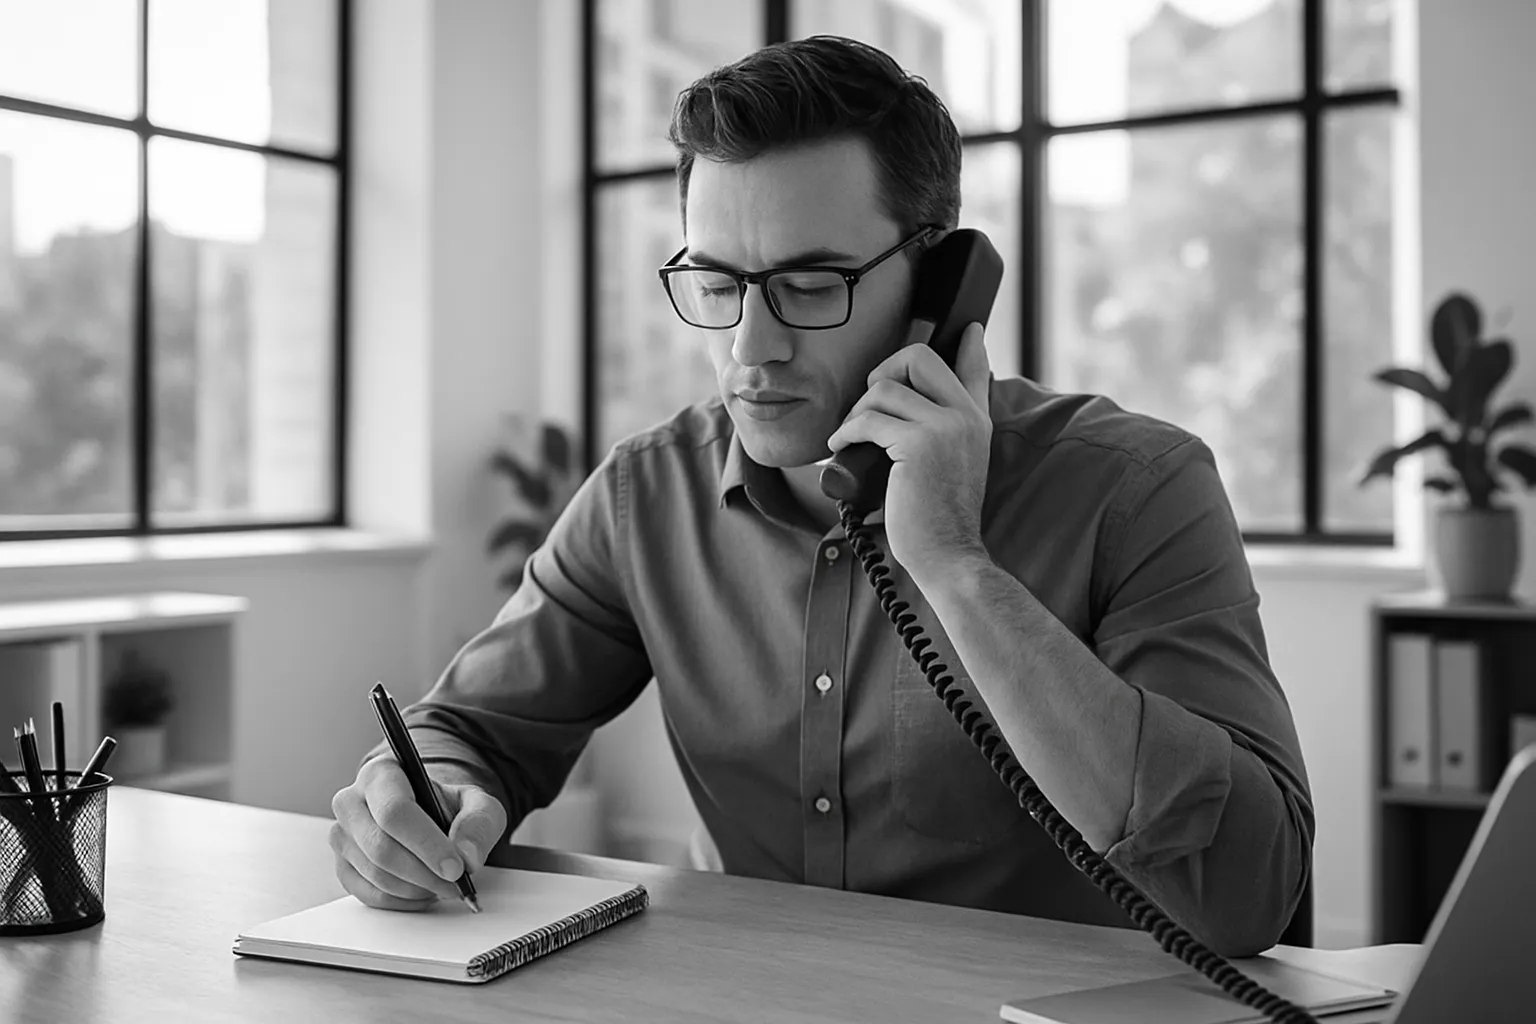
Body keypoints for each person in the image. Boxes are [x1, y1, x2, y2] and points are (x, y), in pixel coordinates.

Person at [329, 35, 1312, 957]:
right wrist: (422, 804)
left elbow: (1249, 891)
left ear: (938, 285)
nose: (750, 349)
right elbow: (466, 733)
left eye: (810, 285)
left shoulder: (1137, 489)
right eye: (717, 283)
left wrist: (958, 570)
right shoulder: (646, 495)